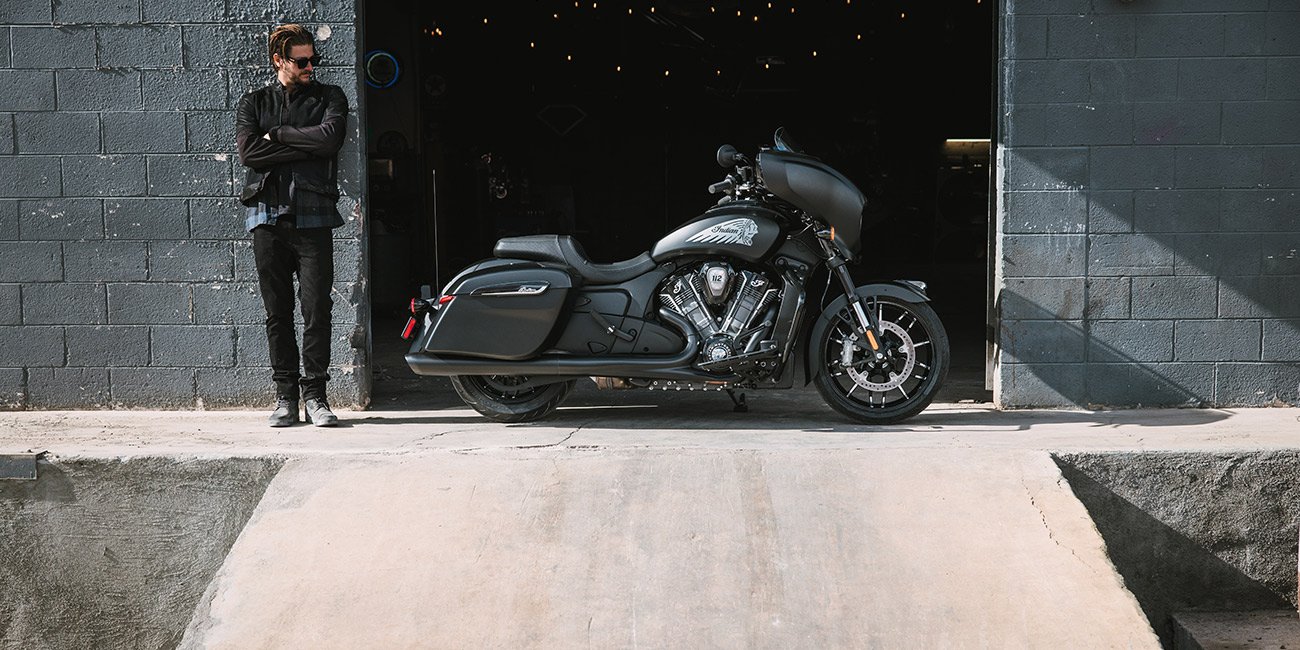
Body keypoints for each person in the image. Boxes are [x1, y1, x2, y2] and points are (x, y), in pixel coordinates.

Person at [235, 24, 348, 427]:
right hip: (266, 216)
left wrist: (278, 135)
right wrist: (304, 146)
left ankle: (315, 396)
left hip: (313, 215)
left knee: (317, 309)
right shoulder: (254, 102)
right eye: (302, 61)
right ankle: (285, 397)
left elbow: (330, 140)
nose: (311, 66)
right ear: (279, 60)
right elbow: (249, 153)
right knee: (277, 312)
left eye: (314, 58)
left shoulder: (330, 97)